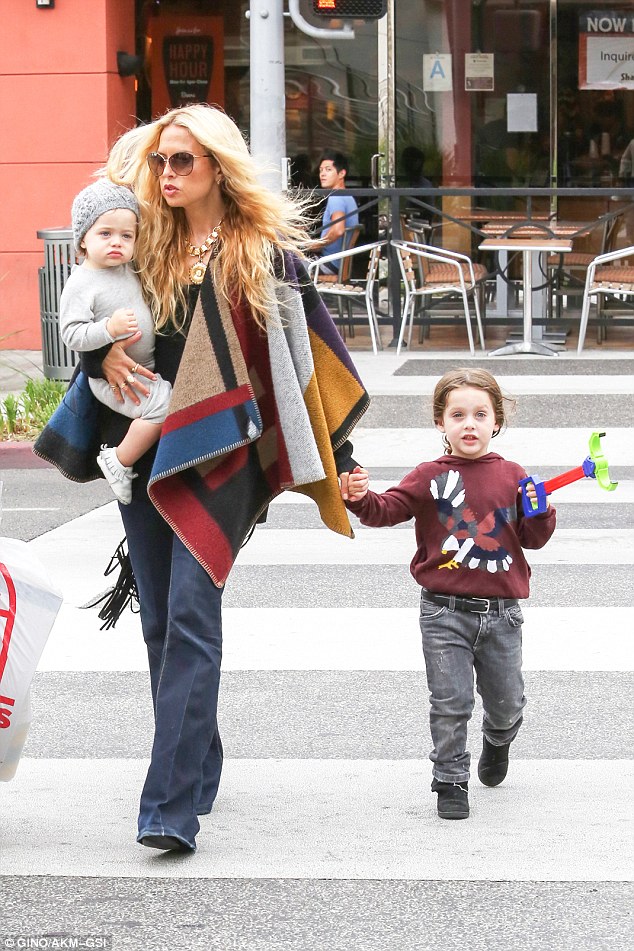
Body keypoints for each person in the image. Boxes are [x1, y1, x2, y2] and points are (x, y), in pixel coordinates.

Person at [54, 104, 369, 854]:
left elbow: (304, 361)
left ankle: (167, 806)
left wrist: (342, 457)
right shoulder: (144, 246)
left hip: (223, 454)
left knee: (192, 614)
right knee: (161, 622)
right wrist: (101, 354)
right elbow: (89, 312)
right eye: (160, 160)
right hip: (143, 449)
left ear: (219, 168)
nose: (166, 174)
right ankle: (197, 757)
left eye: (183, 160)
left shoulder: (264, 256)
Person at [341, 368, 556, 821]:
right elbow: (385, 510)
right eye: (458, 415)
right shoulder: (429, 476)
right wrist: (358, 497)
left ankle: (498, 740)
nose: (469, 424)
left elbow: (533, 540)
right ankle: (450, 779)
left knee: (507, 702)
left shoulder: (513, 475)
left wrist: (540, 512)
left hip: (503, 614)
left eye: (480, 414)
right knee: (450, 702)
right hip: (443, 612)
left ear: (497, 421)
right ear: (441, 421)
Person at [59, 180, 172, 504]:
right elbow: (71, 334)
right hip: (115, 379)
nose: (116, 243)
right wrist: (108, 329)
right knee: (164, 405)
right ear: (83, 238)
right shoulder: (82, 283)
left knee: (166, 402)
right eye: (105, 233)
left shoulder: (125, 269)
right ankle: (119, 460)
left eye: (126, 236)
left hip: (142, 369)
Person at [314, 149, 359, 273]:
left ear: (341, 173)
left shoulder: (336, 197)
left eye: (328, 170)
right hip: (338, 265)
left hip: (328, 264)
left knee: (285, 264)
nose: (322, 174)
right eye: (321, 170)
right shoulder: (348, 197)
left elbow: (338, 230)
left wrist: (317, 245)